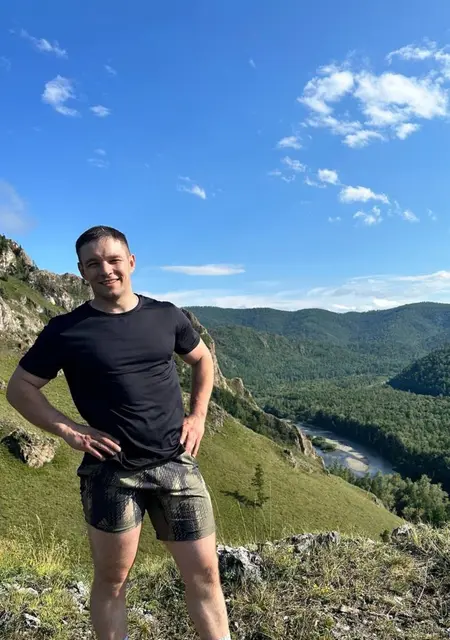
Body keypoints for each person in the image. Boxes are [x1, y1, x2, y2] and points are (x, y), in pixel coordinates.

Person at [6, 225, 231, 640]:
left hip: (176, 463)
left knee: (204, 575)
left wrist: (198, 416)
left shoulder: (167, 315)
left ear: (131, 261)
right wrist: (68, 429)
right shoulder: (66, 330)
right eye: (93, 263)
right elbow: (20, 388)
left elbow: (202, 360)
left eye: (113, 260)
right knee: (112, 581)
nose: (105, 270)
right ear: (81, 272)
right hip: (110, 472)